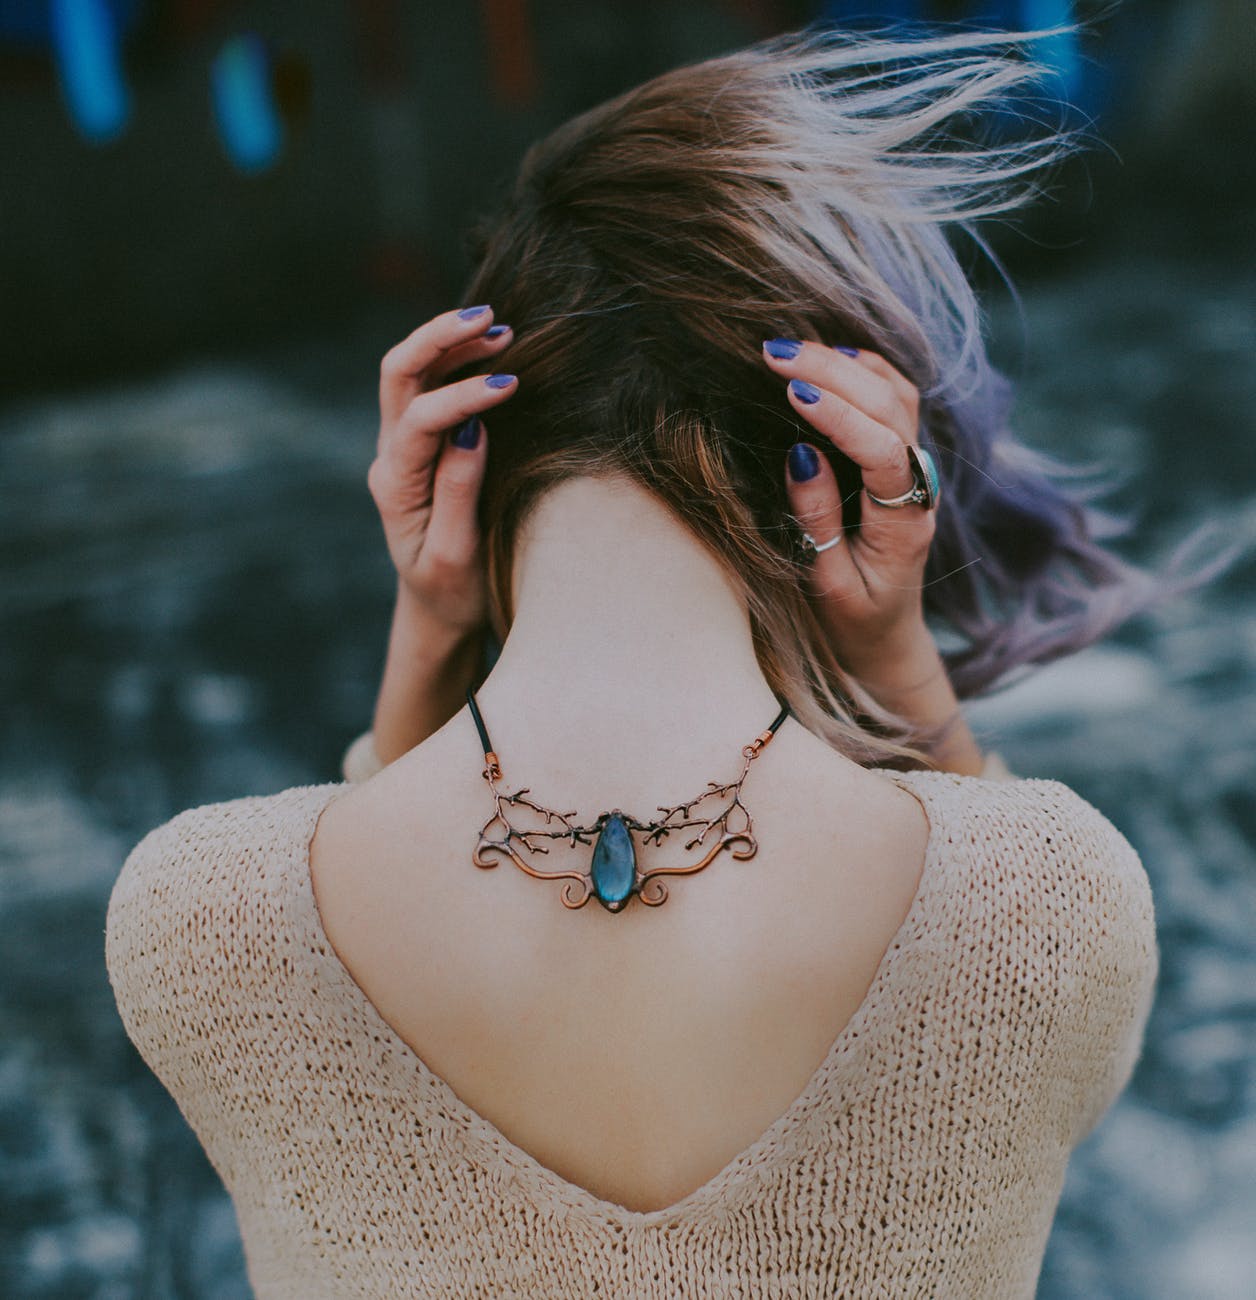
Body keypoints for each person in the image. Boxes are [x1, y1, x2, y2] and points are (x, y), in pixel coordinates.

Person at [105, 28, 1199, 1297]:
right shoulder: (1051, 905)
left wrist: (428, 640)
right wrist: (896, 658)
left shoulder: (197, 919)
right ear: (833, 471)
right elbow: (1058, 1063)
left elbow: (336, 988)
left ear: (472, 455)